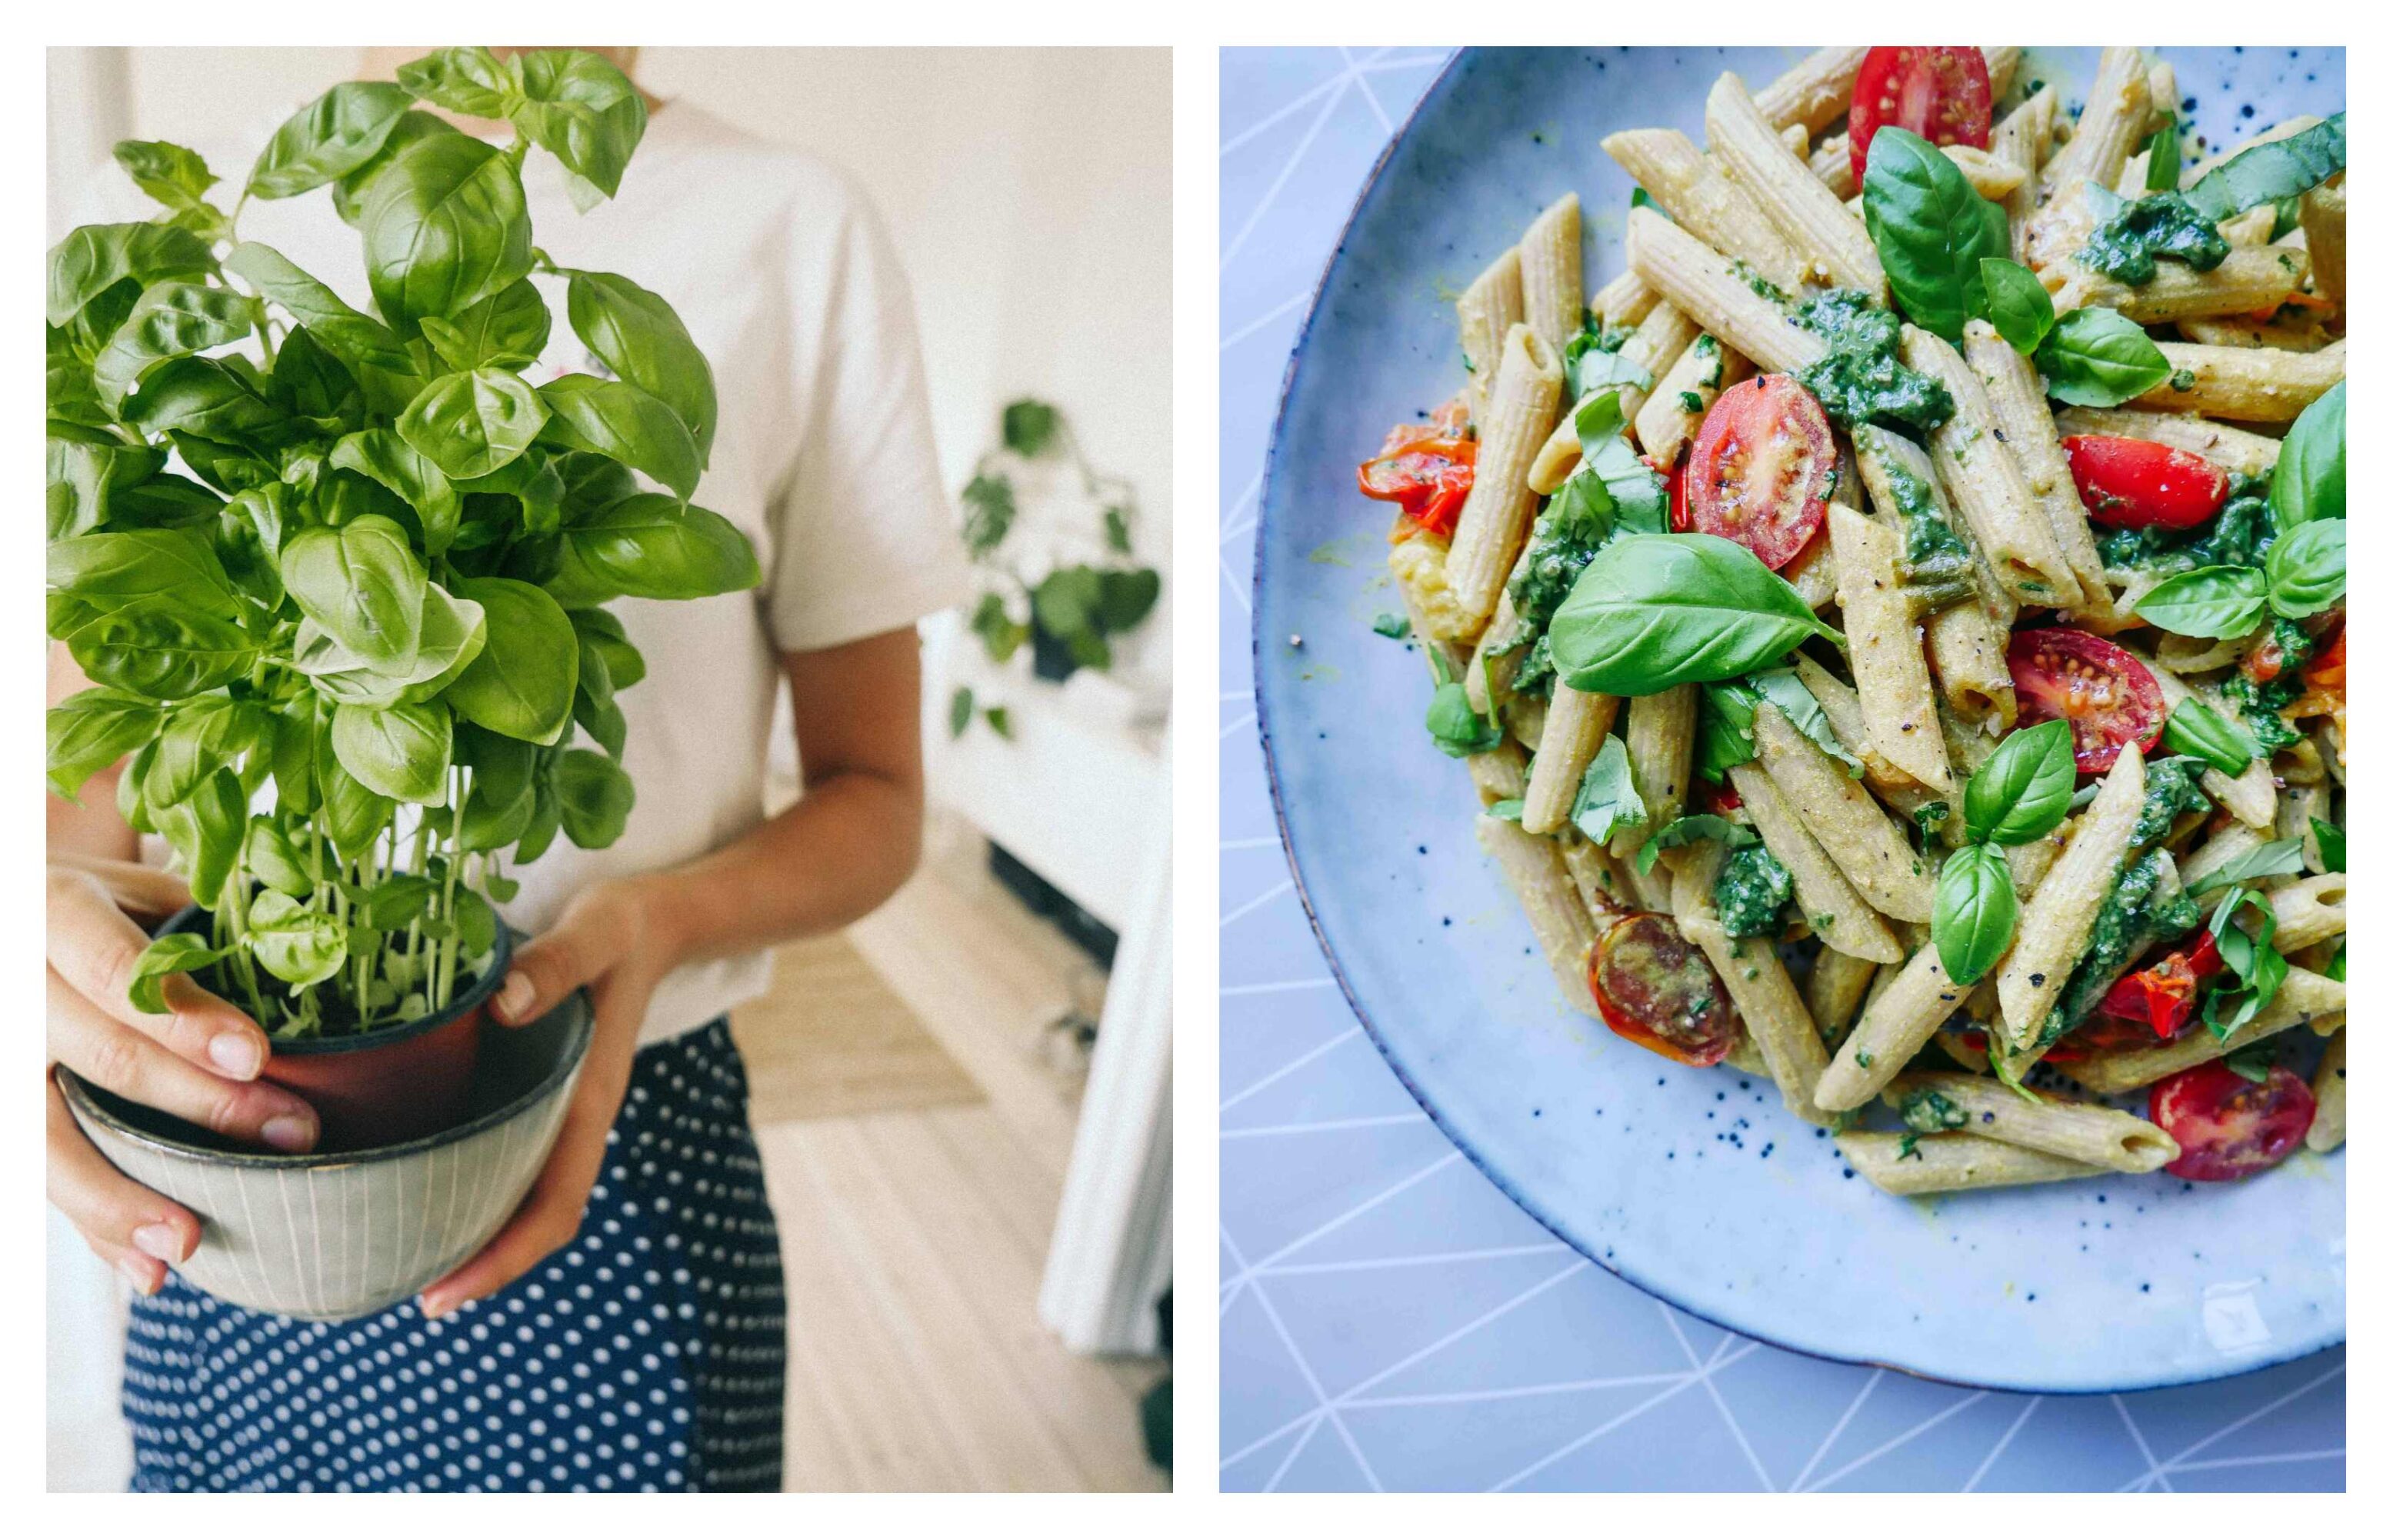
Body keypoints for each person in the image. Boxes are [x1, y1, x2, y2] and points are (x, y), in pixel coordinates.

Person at [46, 45, 970, 1492]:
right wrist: (57, 968)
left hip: (628, 1127)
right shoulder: (177, 224)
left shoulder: (796, 226)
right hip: (236, 1142)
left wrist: (657, 922)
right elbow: (86, 775)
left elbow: (883, 800)